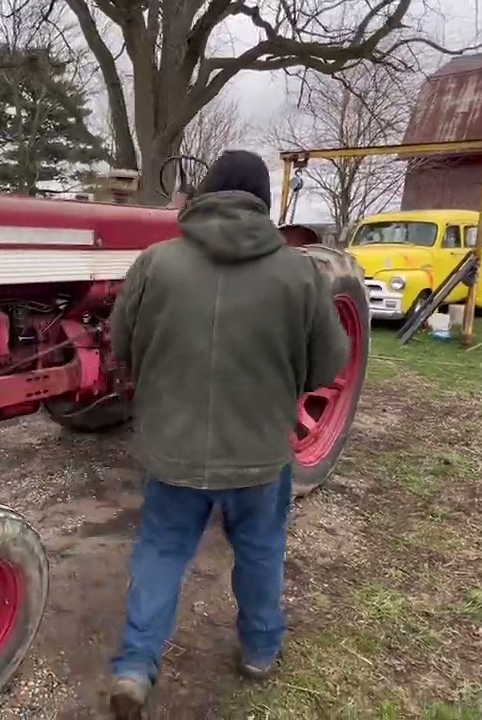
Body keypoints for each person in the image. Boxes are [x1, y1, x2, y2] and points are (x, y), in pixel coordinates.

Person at [106, 150, 350, 718]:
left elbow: (121, 347)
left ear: (204, 196)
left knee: (161, 553)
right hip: (259, 455)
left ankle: (134, 667)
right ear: (263, 202)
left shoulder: (155, 263)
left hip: (173, 451)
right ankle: (260, 650)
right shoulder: (300, 272)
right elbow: (326, 365)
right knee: (261, 552)